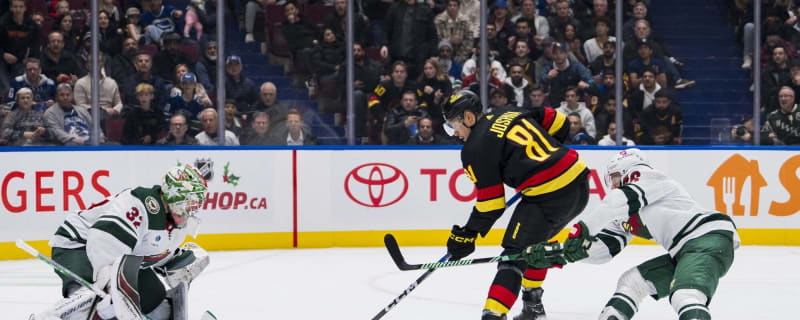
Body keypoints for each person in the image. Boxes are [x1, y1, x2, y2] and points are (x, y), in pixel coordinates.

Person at [522, 148, 740, 320]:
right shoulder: (626, 212)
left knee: (685, 294)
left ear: (629, 169)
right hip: (685, 251)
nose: (613, 185)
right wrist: (561, 254)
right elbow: (604, 250)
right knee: (632, 282)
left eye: (615, 177)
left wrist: (581, 230)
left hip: (708, 238)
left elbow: (617, 202)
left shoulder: (651, 178)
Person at [442, 90, 590, 320]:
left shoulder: (474, 149)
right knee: (535, 246)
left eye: (454, 124)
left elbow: (491, 204)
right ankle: (532, 308)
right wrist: (547, 155)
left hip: (548, 195)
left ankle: (494, 314)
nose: (454, 132)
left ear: (469, 118)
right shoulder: (508, 112)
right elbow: (559, 121)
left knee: (513, 256)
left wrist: (468, 234)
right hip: (579, 183)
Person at [30, 164, 210, 320]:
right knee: (97, 302)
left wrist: (177, 262)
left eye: (196, 203)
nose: (193, 208)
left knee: (156, 302)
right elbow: (102, 238)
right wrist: (111, 285)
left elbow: (151, 251)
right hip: (78, 244)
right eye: (190, 202)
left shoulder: (177, 224)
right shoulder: (140, 204)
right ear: (174, 194)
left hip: (122, 258)